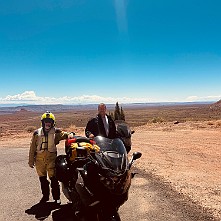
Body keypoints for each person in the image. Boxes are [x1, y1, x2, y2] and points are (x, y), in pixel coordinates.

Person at [28, 111, 73, 205]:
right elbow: (32, 148)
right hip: (39, 160)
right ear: (43, 122)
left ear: (53, 122)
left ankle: (57, 198)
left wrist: (70, 134)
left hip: (51, 159)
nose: (48, 123)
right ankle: (45, 196)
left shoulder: (56, 132)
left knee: (54, 179)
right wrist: (31, 161)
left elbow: (65, 135)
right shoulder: (36, 133)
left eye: (49, 121)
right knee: (43, 180)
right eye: (46, 121)